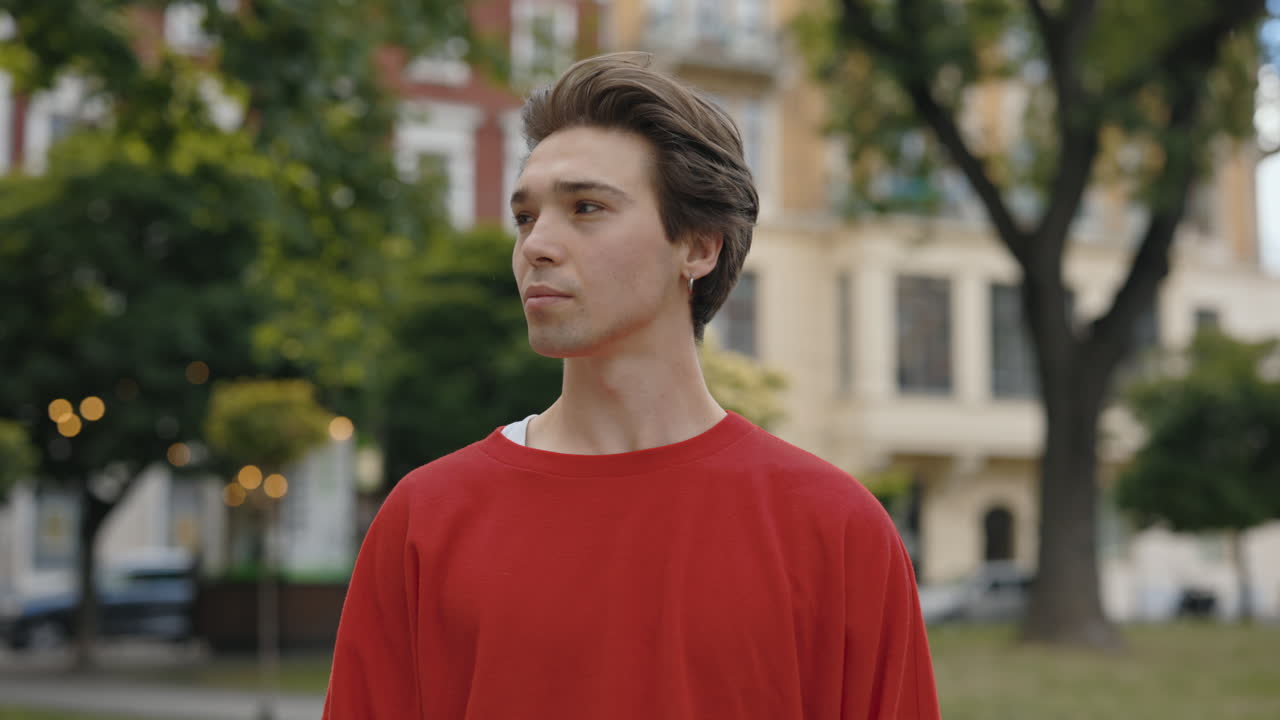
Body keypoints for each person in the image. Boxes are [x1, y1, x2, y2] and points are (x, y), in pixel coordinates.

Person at [323, 52, 939, 719]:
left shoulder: (838, 533)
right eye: (525, 217)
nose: (536, 245)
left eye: (586, 208)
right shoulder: (425, 522)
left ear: (699, 247)